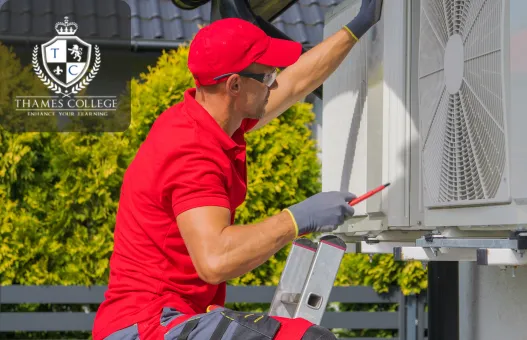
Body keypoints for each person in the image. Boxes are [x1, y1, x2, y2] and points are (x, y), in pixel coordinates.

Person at [93, 1, 383, 339]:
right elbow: (215, 260)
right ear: (234, 85)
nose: (273, 83)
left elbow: (294, 85)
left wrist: (358, 26)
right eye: (266, 76)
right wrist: (297, 219)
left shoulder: (211, 120)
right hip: (148, 325)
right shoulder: (192, 152)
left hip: (168, 317)